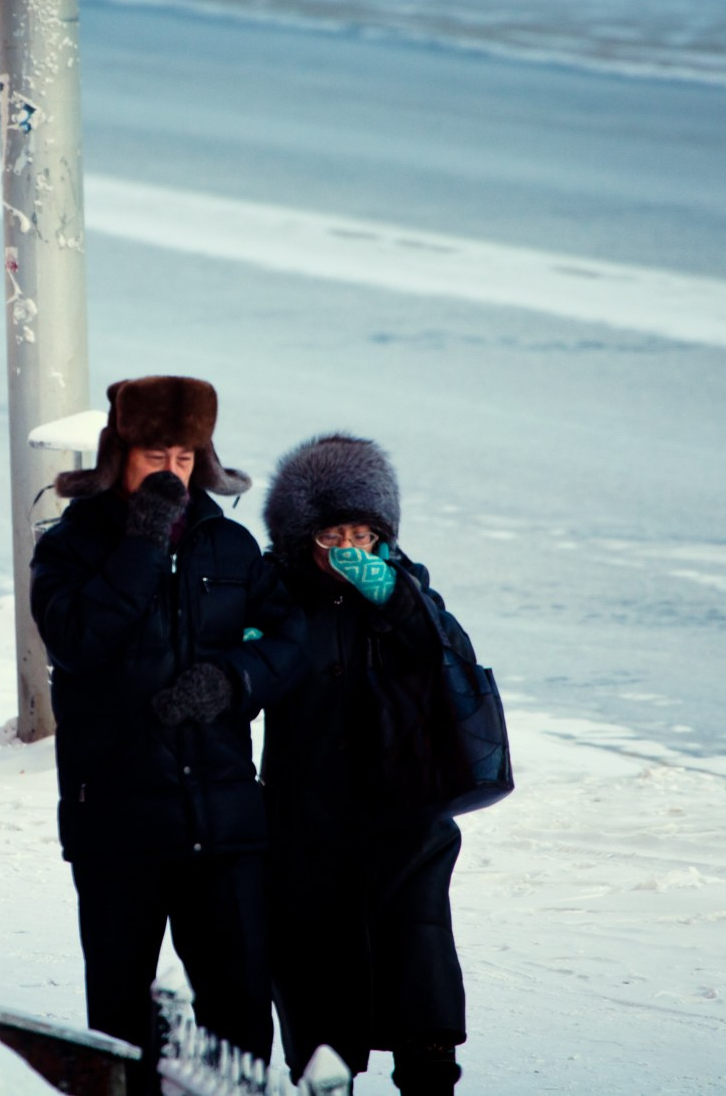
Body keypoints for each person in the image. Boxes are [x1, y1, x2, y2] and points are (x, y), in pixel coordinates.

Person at [31, 376, 305, 1077]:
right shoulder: (69, 546)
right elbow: (79, 639)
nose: (172, 473)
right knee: (122, 1019)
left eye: (185, 459)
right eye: (157, 455)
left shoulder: (232, 546)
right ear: (118, 452)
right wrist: (144, 540)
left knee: (240, 1008)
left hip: (223, 821)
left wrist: (233, 679)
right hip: (118, 822)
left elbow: (290, 641)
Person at [261, 433, 474, 1093]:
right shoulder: (275, 595)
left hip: (406, 821)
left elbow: (449, 656)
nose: (350, 548)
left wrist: (390, 591)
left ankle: (429, 1075)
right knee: (321, 989)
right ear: (302, 538)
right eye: (333, 535)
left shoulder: (405, 588)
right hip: (309, 823)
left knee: (419, 972)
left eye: (364, 531)